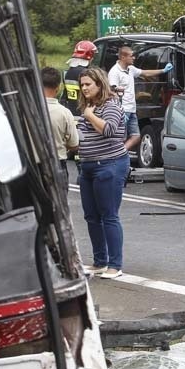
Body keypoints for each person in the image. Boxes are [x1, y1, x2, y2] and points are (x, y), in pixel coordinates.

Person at [76, 67, 130, 280]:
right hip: (88, 166)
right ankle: (100, 261)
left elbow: (108, 130)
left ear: (100, 84)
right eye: (82, 84)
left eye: (88, 84)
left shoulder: (111, 105)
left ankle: (115, 265)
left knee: (109, 215)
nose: (84, 88)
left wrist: (88, 116)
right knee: (91, 215)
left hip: (109, 165)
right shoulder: (89, 105)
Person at [108, 46, 173, 151]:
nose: (134, 58)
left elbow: (145, 73)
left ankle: (119, 153)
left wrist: (163, 70)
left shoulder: (131, 69)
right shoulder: (115, 72)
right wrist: (118, 110)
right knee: (120, 138)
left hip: (132, 110)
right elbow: (111, 90)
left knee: (136, 137)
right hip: (122, 111)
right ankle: (116, 157)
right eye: (131, 56)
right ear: (123, 57)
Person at [41, 67, 79, 191]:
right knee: (59, 206)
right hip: (57, 165)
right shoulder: (65, 113)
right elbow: (74, 144)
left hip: (33, 168)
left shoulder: (28, 110)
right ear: (58, 87)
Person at [61, 40, 97, 113]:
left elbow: (65, 95)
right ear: (89, 55)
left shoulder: (68, 72)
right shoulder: (86, 73)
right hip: (84, 113)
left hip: (71, 111)